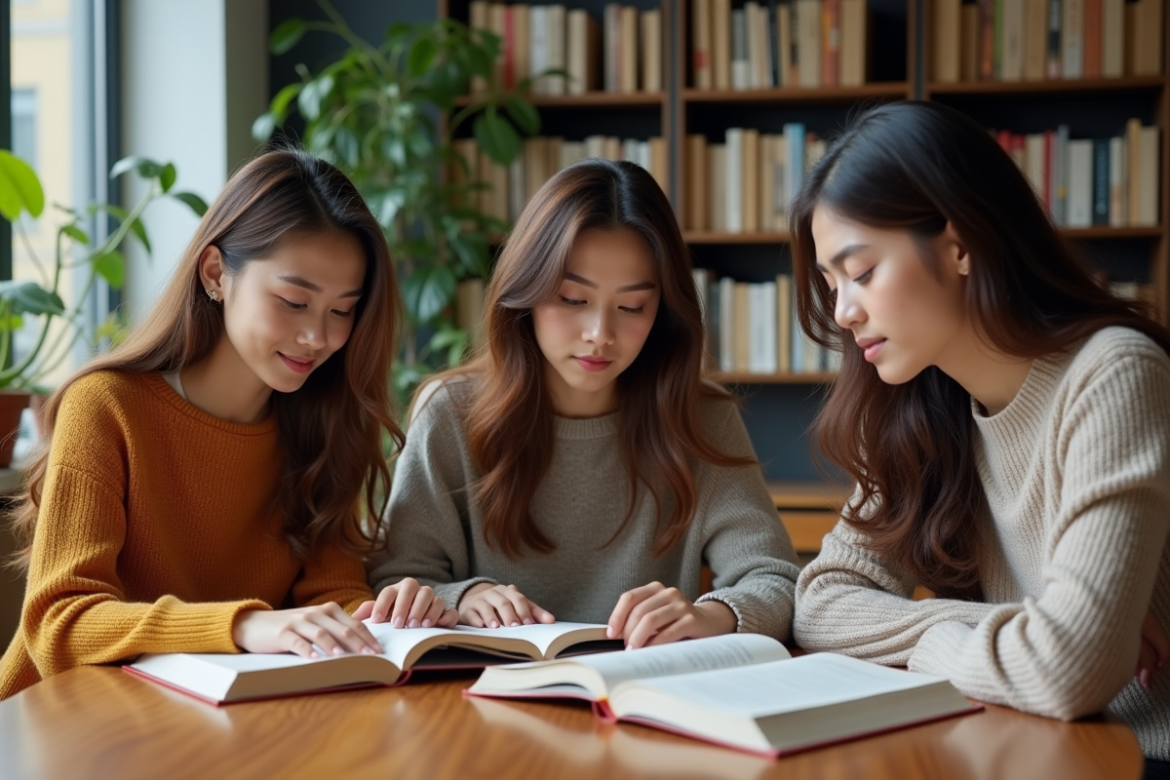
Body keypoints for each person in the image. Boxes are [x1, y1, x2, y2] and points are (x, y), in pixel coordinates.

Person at [787, 101, 1170, 771]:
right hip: (1014, 749)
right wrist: (993, 625)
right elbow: (820, 605)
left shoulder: (1113, 373)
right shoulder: (917, 404)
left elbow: (1069, 672)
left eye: (862, 271)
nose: (843, 312)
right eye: (831, 282)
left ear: (960, 245)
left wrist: (941, 644)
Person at [0, 149, 453, 701]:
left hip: (209, 727)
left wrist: (390, 614)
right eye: (293, 301)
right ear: (216, 274)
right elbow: (59, 624)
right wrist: (243, 626)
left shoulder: (324, 424)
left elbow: (329, 594)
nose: (318, 336)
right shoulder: (106, 407)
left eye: (341, 311)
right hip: (57, 729)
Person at [367, 159, 800, 649]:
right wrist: (463, 596)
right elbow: (395, 581)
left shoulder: (700, 417)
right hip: (477, 701)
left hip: (646, 695)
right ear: (525, 290)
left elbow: (776, 580)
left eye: (632, 307)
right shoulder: (449, 412)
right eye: (573, 299)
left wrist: (715, 615)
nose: (600, 335)